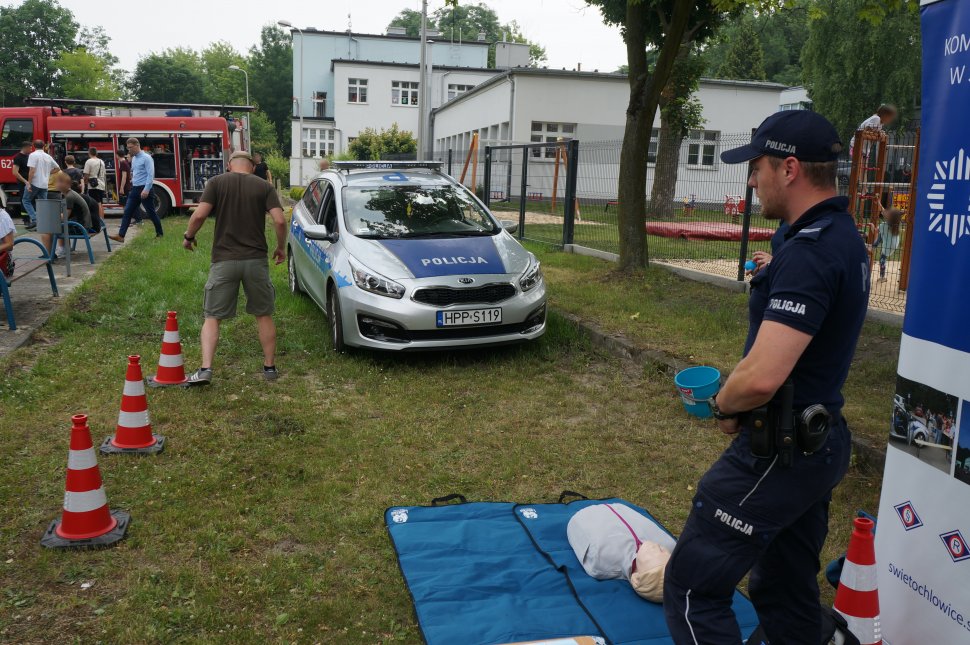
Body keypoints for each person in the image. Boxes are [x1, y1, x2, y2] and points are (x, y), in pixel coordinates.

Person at [663, 111, 870, 644]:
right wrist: (773, 268)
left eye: (756, 167)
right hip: (816, 443)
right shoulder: (833, 233)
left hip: (781, 448)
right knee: (783, 587)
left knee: (693, 586)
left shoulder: (813, 251)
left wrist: (723, 406)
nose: (751, 179)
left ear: (790, 168)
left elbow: (759, 379)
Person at [181, 150, 286, 385]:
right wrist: (281, 248)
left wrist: (189, 236)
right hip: (256, 261)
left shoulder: (216, 182)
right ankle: (269, 368)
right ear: (250, 166)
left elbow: (199, 215)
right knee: (263, 314)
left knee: (212, 316)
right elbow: (279, 220)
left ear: (229, 165)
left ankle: (206, 368)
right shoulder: (264, 187)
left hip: (224, 260)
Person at [110, 138, 163, 242]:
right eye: (127, 148)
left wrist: (146, 189)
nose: (129, 150)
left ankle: (160, 234)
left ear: (137, 145)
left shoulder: (147, 158)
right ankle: (121, 236)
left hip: (144, 189)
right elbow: (134, 172)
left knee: (151, 213)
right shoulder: (134, 158)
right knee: (127, 211)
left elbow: (150, 174)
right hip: (135, 189)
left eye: (130, 147)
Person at [24, 139, 60, 231]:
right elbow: (57, 168)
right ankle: (43, 223)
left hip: (35, 182)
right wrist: (47, 173)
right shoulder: (48, 156)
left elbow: (32, 170)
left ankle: (35, 219)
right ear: (44, 146)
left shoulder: (33, 155)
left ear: (33, 146)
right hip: (44, 184)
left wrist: (29, 183)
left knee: (26, 200)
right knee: (43, 203)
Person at [872, 206, 902, 282]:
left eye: (888, 212)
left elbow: (874, 231)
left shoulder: (883, 225)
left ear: (889, 217)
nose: (886, 211)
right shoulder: (896, 223)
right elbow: (884, 211)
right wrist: (878, 202)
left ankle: (882, 277)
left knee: (882, 259)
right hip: (895, 243)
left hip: (888, 246)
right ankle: (874, 246)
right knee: (882, 235)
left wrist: (871, 225)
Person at [82, 147, 107, 222]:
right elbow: (104, 174)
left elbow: (86, 174)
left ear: (89, 153)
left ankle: (99, 220)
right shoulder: (101, 161)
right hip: (101, 184)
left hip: (93, 185)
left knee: (96, 203)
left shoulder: (89, 161)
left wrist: (85, 183)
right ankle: (102, 219)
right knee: (101, 203)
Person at [11, 141, 32, 226]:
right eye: (30, 148)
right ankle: (26, 220)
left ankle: (32, 218)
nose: (31, 149)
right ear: (25, 147)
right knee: (24, 200)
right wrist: (25, 181)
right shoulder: (18, 157)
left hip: (30, 182)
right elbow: (15, 172)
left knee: (30, 200)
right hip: (23, 183)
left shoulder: (29, 156)